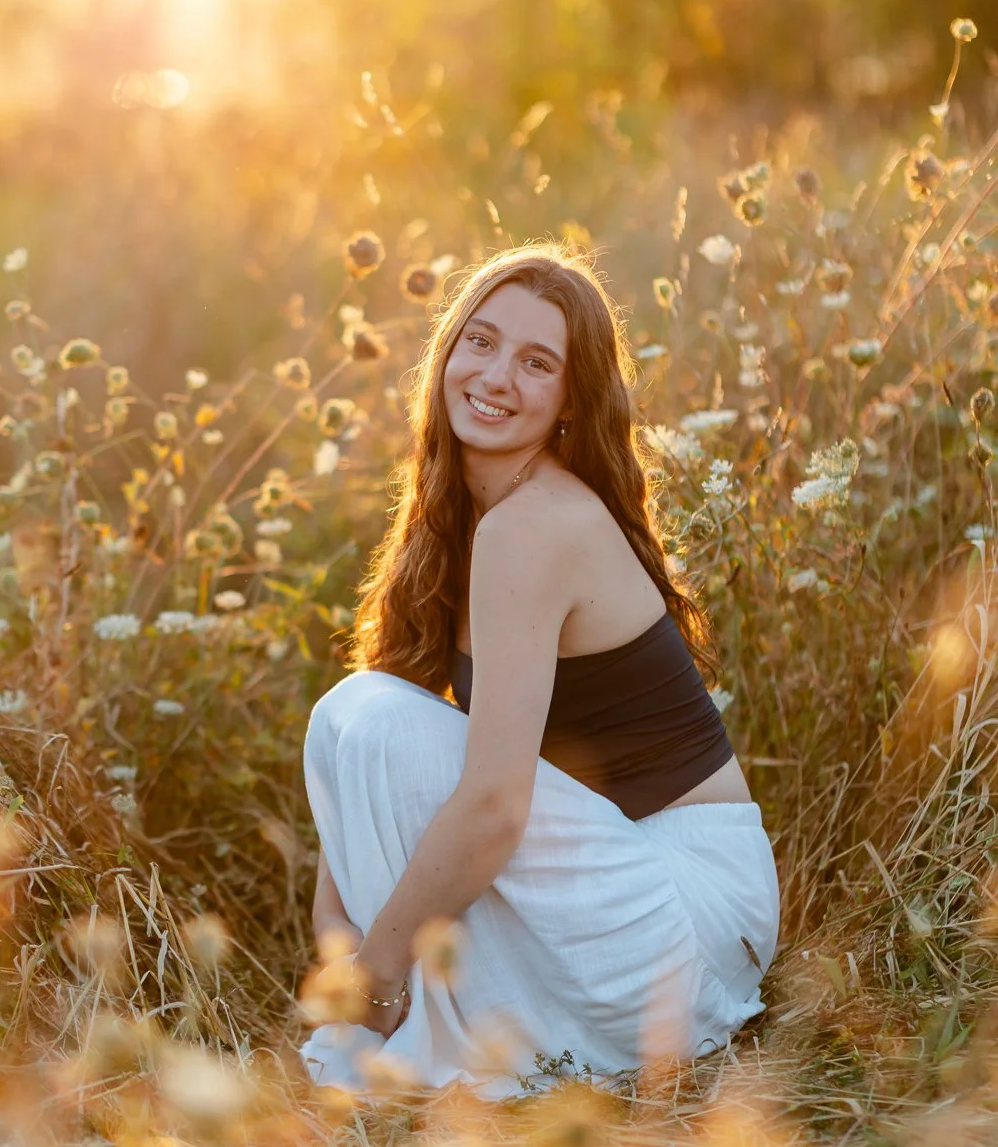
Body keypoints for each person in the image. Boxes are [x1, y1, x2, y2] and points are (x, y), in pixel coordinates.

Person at [298, 242, 780, 1100]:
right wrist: (334, 923)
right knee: (358, 711)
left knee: (367, 715)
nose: (494, 376)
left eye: (535, 362)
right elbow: (394, 706)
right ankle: (435, 1010)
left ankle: (406, 1009)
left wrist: (366, 977)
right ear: (445, 353)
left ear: (568, 399)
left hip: (687, 918)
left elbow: (491, 808)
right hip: (632, 886)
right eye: (478, 342)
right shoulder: (467, 517)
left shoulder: (535, 525)